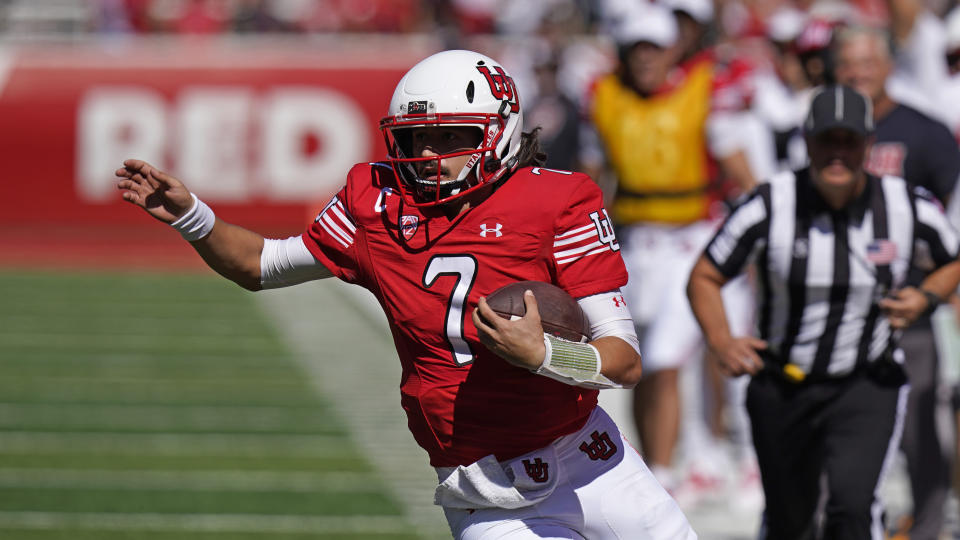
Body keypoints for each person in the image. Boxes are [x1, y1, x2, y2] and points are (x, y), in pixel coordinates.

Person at [114, 49, 696, 540]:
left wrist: (545, 356)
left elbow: (623, 362)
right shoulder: (377, 204)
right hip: (488, 486)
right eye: (416, 139)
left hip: (591, 459)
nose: (429, 156)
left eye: (451, 136)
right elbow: (260, 264)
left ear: (501, 134)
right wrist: (190, 215)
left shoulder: (556, 202)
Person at [686, 84, 960, 539]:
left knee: (852, 510)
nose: (838, 153)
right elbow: (705, 274)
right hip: (783, 382)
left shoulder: (906, 204)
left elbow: (952, 259)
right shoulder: (770, 203)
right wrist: (721, 340)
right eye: (826, 140)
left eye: (849, 140)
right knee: (791, 520)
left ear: (869, 144)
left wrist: (926, 296)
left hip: (865, 381)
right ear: (807, 142)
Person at [588, 2, 759, 503]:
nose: (645, 59)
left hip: (693, 240)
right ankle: (654, 464)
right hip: (636, 245)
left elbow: (738, 167)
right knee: (635, 363)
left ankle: (670, 470)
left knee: (667, 357)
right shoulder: (604, 96)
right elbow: (591, 176)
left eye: (654, 48)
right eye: (636, 48)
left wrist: (758, 232)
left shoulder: (704, 87)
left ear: (673, 50)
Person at [834, 25, 960, 540]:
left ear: (889, 66)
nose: (858, 73)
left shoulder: (926, 131)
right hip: (839, 306)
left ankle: (928, 529)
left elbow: (953, 218)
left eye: (868, 61)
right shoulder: (826, 129)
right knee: (843, 430)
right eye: (848, 63)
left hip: (911, 304)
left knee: (920, 431)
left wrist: (937, 291)